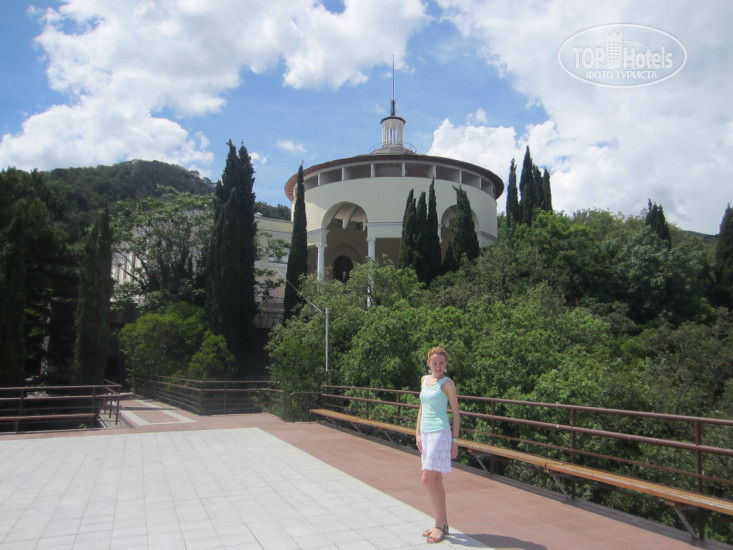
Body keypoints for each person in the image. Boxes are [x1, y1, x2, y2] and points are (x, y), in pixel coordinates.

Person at [415, 346, 460, 544]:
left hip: (440, 434)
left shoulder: (447, 383)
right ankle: (443, 524)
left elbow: (456, 414)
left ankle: (439, 526)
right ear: (428, 363)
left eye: (441, 363)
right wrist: (417, 432)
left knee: (427, 479)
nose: (438, 366)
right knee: (436, 480)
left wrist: (455, 441)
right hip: (425, 434)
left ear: (446, 364)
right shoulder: (424, 380)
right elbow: (422, 407)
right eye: (434, 362)